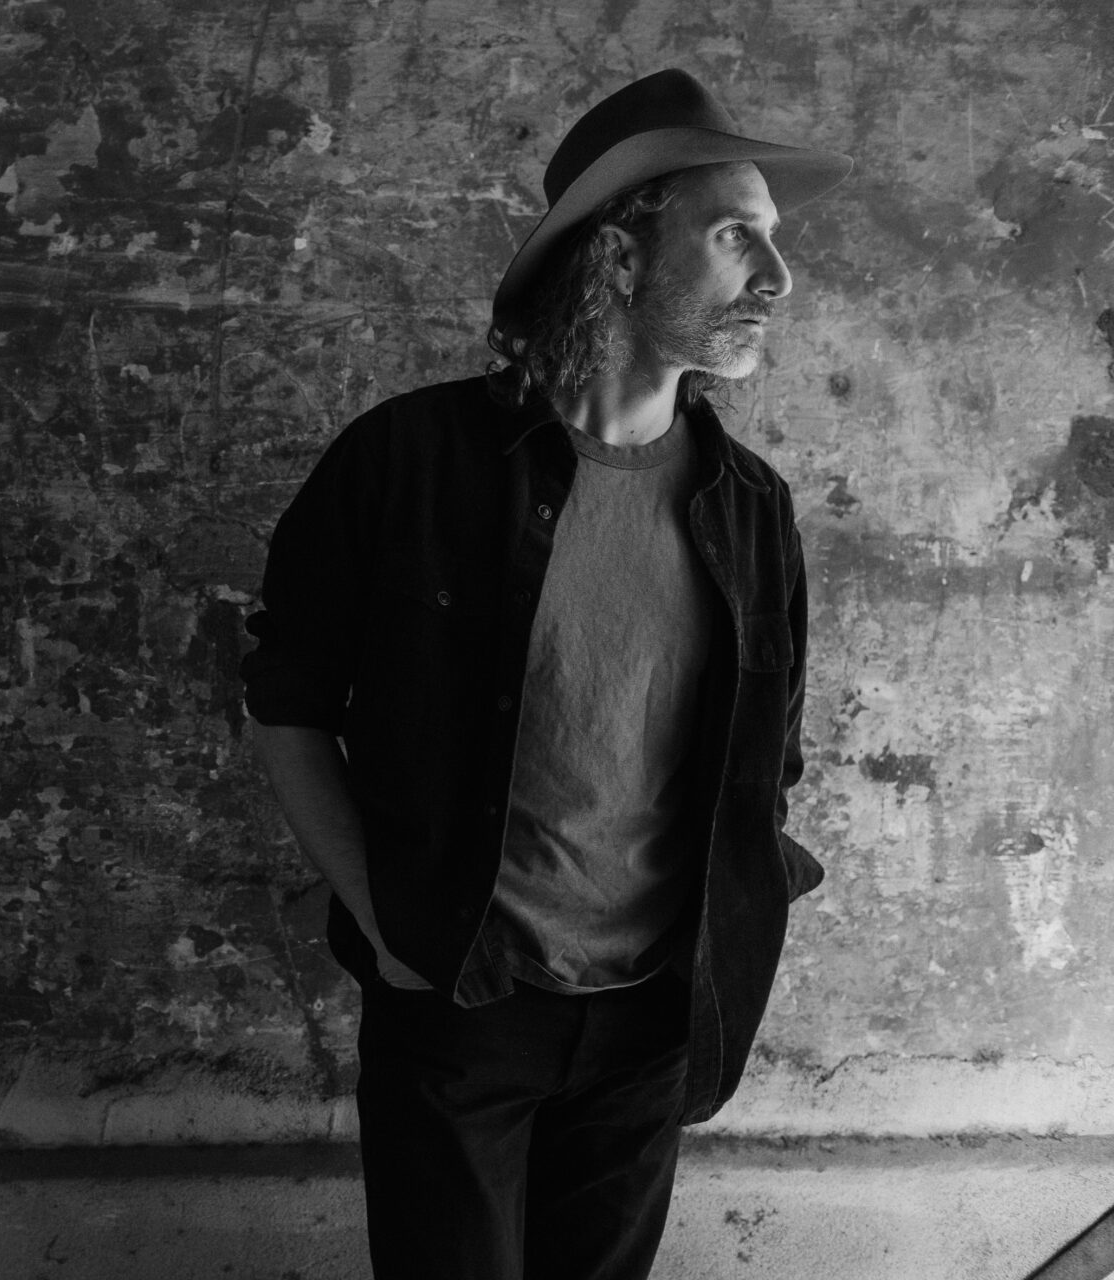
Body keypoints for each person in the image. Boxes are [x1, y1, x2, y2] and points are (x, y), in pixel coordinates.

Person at [240, 69, 851, 1280]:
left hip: (654, 1021)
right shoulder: (408, 462)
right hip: (459, 999)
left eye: (773, 240)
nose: (778, 279)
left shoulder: (752, 508)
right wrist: (389, 926)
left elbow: (765, 764)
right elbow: (286, 702)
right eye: (736, 236)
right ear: (619, 254)